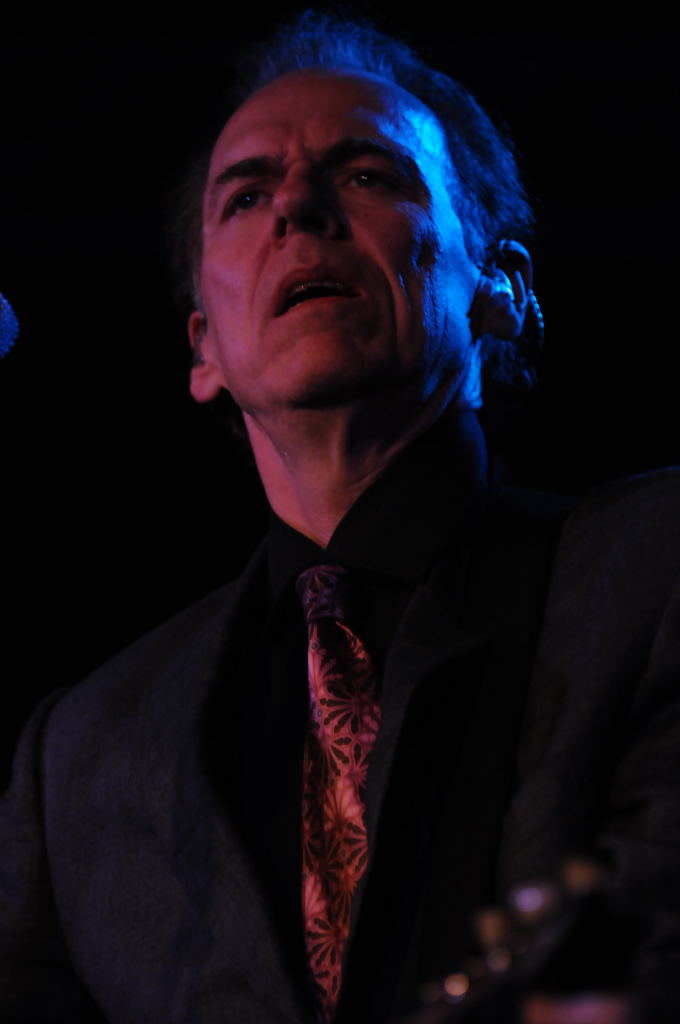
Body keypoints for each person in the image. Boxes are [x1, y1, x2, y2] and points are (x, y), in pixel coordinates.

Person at [1, 11, 679, 1023]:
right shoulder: (78, 754)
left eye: (366, 173)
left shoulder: (656, 571)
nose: (297, 209)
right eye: (244, 196)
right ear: (203, 348)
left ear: (500, 287)